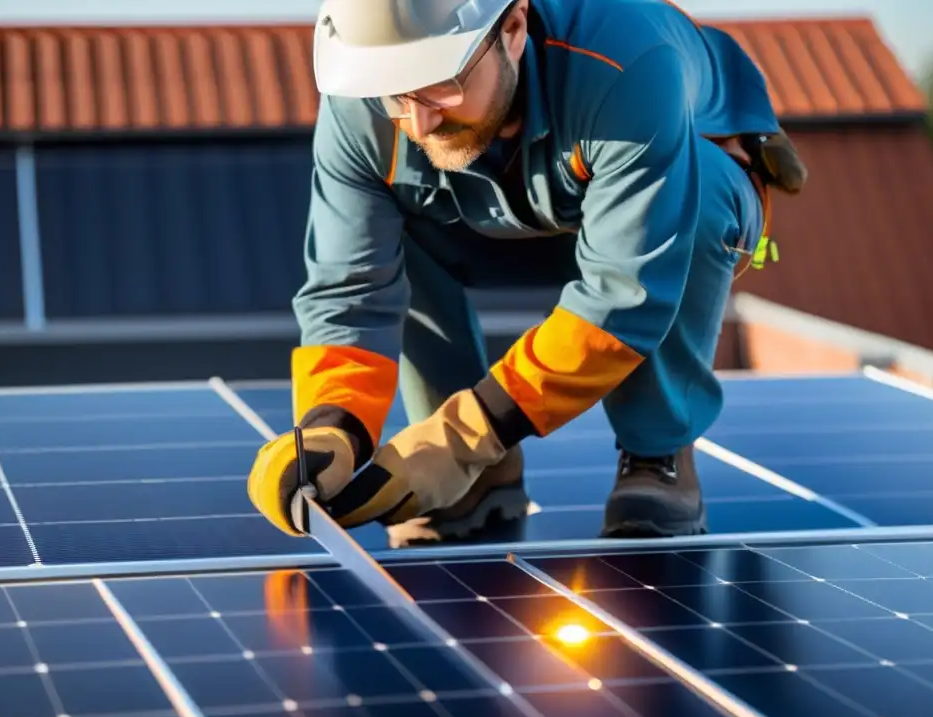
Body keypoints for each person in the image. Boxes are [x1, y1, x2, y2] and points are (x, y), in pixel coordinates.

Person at [247, 0, 807, 548]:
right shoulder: (362, 102)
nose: (418, 120)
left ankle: (657, 452)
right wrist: (331, 425)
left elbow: (625, 292)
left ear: (512, 27)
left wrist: (464, 439)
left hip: (654, 221)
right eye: (397, 90)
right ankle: (477, 482)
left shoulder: (626, 61)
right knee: (393, 220)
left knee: (702, 195)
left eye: (440, 82)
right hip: (500, 217)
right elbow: (349, 287)